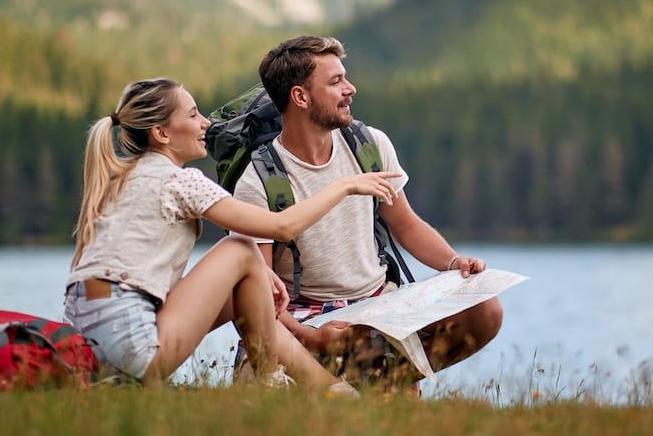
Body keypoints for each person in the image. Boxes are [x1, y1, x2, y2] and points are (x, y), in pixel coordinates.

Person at [64, 77, 401, 391]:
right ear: (162, 134)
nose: (206, 124)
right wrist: (344, 185)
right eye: (193, 115)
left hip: (90, 349)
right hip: (134, 346)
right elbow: (281, 226)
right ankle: (278, 381)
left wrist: (257, 278)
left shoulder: (123, 178)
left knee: (245, 278)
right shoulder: (179, 180)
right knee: (239, 247)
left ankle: (324, 387)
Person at [233, 36, 503, 389]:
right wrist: (310, 337)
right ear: (300, 97)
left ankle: (378, 381)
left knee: (485, 310)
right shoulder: (260, 181)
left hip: (378, 305)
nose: (351, 89)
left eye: (345, 77)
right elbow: (256, 292)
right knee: (267, 392)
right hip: (303, 319)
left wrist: (454, 263)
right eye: (335, 82)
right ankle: (361, 382)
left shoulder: (370, 144)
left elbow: (405, 224)